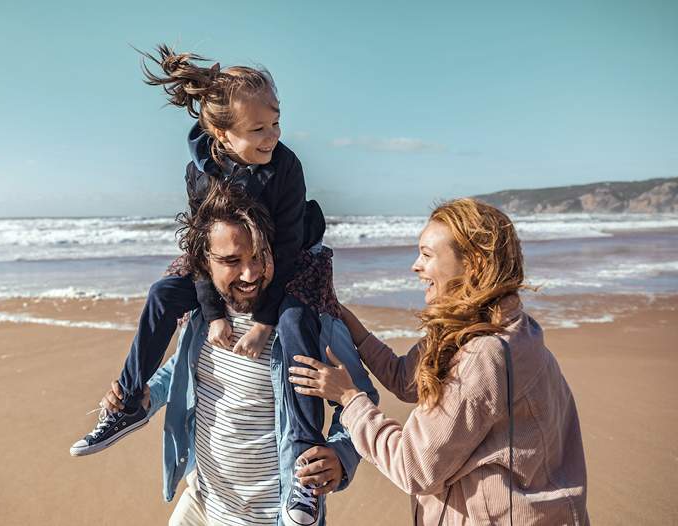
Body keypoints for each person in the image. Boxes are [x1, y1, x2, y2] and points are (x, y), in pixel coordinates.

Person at [69, 45, 333, 521]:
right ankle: (127, 402)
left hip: (292, 261)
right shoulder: (200, 174)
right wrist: (212, 314)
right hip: (229, 265)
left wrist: (265, 323)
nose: (272, 135)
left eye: (276, 121)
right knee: (162, 295)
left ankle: (304, 472)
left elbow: (289, 249)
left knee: (296, 322)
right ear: (220, 133)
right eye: (258, 129)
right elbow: (201, 251)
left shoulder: (286, 167)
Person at [289, 198, 589, 525]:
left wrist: (349, 399)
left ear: (473, 263)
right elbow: (406, 378)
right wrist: (347, 321)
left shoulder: (484, 353)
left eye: (427, 254)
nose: (415, 266)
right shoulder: (499, 326)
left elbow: (415, 468)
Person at [98, 183, 378, 525]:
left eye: (259, 256)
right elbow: (182, 369)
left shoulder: (313, 325)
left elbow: (361, 396)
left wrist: (341, 455)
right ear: (204, 263)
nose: (250, 274)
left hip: (273, 516)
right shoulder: (203, 318)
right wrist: (146, 397)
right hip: (202, 503)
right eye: (232, 261)